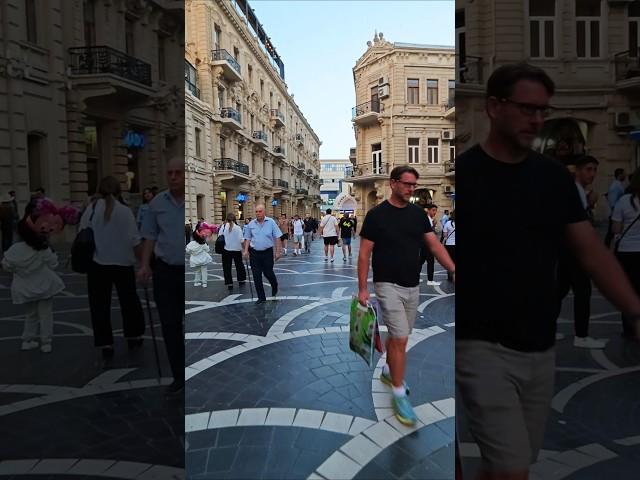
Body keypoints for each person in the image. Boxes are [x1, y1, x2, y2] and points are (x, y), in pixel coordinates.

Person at [455, 63, 640, 480]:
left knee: (512, 461)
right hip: (480, 345)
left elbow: (591, 252)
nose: (538, 119)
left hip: (539, 348)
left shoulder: (552, 178)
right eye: (526, 108)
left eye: (542, 110)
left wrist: (634, 311)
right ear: (494, 107)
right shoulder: (467, 174)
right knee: (511, 467)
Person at [358, 165, 455, 426]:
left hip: (412, 286)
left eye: (414, 184)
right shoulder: (376, 216)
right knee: (400, 338)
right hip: (386, 284)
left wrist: (454, 269)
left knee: (401, 336)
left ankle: (390, 370)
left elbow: (434, 245)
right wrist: (363, 289)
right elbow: (365, 253)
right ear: (393, 183)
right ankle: (399, 393)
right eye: (407, 184)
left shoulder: (418, 215)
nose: (412, 188)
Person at [81, 176, 145, 359]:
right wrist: (143, 263)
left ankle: (105, 343)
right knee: (129, 302)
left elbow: (82, 232)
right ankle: (133, 336)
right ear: (118, 190)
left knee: (99, 306)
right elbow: (135, 239)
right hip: (123, 264)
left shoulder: (91, 210)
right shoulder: (125, 212)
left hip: (98, 264)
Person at [138, 157, 185, 394]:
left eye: (178, 172)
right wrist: (145, 265)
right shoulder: (157, 203)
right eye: (170, 173)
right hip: (165, 271)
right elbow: (149, 236)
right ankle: (178, 375)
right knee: (169, 323)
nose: (173, 176)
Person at [556, 155, 607, 348]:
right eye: (588, 169)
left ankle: (546, 329)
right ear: (577, 170)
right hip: (573, 251)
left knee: (559, 291)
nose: (592, 174)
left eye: (594, 170)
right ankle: (582, 336)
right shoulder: (574, 191)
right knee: (583, 291)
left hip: (567, 250)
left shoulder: (576, 191)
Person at [2, 201, 66, 353]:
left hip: (25, 286)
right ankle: (46, 342)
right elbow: (54, 264)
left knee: (30, 314)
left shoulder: (15, 249)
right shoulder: (43, 249)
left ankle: (27, 339)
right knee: (45, 315)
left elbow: (6, 265)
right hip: (44, 285)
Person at [611, 167, 640, 338]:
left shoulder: (624, 201)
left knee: (628, 290)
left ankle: (629, 330)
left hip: (626, 252)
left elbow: (616, 228)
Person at [242, 204, 282, 304]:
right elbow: (247, 238)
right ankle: (261, 297)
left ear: (264, 212)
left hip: (267, 252)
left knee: (268, 273)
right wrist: (246, 250)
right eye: (256, 211)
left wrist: (278, 252)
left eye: (260, 211)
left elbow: (277, 237)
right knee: (256, 275)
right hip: (254, 253)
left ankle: (274, 285)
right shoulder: (251, 224)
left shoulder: (271, 222)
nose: (258, 213)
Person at [219, 213, 246, 289]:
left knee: (227, 267)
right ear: (235, 219)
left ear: (227, 219)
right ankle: (241, 279)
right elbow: (241, 240)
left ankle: (229, 283)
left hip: (226, 249)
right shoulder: (238, 228)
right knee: (239, 265)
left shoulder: (223, 226)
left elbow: (220, 236)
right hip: (236, 249)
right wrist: (245, 250)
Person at [605, 168, 626, 247]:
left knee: (612, 233)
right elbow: (613, 202)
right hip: (615, 214)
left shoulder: (618, 185)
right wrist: (616, 215)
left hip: (616, 214)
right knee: (611, 233)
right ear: (620, 175)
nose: (625, 175)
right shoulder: (615, 186)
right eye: (624, 174)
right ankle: (606, 249)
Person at [424, 204, 440, 286]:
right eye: (433, 210)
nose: (435, 212)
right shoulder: (427, 219)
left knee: (420, 262)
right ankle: (430, 280)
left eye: (436, 210)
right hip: (427, 244)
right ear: (428, 210)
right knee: (430, 262)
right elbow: (429, 232)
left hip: (425, 244)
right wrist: (433, 226)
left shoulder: (430, 219)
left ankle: (415, 278)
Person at [442, 210, 455, 282]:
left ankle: (450, 277)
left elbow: (445, 235)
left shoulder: (448, 223)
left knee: (450, 261)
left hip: (449, 245)